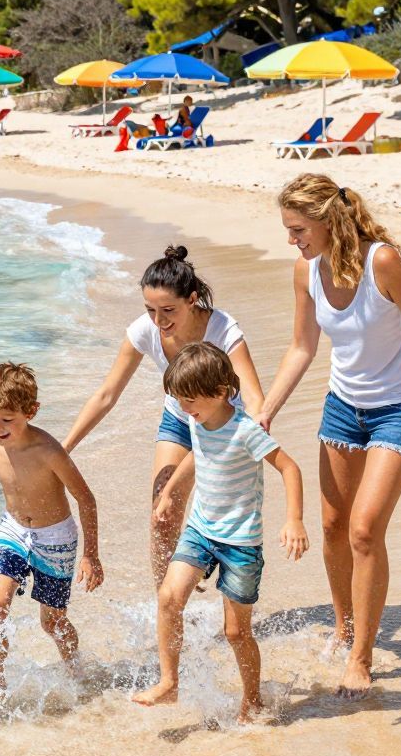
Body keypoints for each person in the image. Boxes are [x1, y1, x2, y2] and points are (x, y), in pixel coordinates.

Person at [255, 173, 401, 695]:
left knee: (363, 530)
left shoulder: (383, 262)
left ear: (326, 221)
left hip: (400, 408)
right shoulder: (306, 270)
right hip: (342, 408)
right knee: (333, 526)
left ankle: (361, 657)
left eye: (298, 229)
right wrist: (266, 410)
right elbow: (302, 347)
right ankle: (344, 628)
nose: (291, 240)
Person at [61, 246, 265, 587]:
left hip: (225, 429)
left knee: (225, 527)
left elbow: (254, 398)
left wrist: (255, 432)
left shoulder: (222, 329)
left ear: (192, 299)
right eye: (150, 310)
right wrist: (64, 448)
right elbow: (106, 395)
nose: (159, 320)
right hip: (180, 419)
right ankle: (167, 604)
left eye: (168, 310)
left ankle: (220, 588)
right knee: (162, 514)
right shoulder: (144, 330)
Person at [132, 343, 305, 721]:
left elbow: (289, 468)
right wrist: (170, 492)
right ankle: (169, 682)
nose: (183, 408)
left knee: (236, 632)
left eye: (189, 399)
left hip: (240, 542)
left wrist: (294, 519)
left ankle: (253, 700)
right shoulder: (199, 421)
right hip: (200, 529)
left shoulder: (246, 431)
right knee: (168, 598)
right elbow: (197, 455)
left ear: (221, 392)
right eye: (179, 399)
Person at [0, 362, 103, 705]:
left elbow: (85, 498)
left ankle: (77, 672)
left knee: (52, 622)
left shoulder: (48, 451)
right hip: (13, 531)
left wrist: (91, 555)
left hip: (56, 538)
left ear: (31, 411)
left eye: (6, 419)